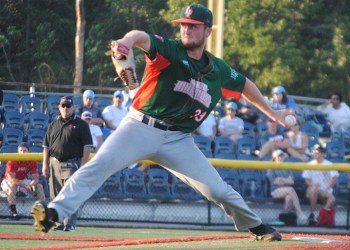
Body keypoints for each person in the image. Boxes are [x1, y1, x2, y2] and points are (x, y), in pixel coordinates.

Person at [31, 4, 297, 241]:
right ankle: (53, 213)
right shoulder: (170, 49)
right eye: (183, 25)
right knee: (100, 165)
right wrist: (126, 39)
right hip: (140, 127)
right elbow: (140, 38)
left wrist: (272, 112)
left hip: (178, 140)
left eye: (193, 27)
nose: (186, 30)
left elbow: (244, 85)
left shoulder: (217, 69)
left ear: (208, 32)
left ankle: (256, 227)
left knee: (218, 190)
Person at [42, 96, 93, 232]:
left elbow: (87, 146)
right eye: (63, 106)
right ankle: (58, 223)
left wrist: (83, 165)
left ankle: (69, 224)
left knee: (70, 195)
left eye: (68, 106)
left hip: (72, 164)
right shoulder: (53, 124)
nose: (66, 108)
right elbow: (46, 146)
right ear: (59, 107)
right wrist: (45, 164)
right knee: (55, 196)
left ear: (73, 108)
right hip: (54, 164)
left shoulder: (81, 124)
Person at [0, 143, 45, 219]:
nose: (22, 152)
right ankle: (13, 211)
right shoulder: (13, 160)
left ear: (28, 152)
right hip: (8, 181)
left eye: (24, 150)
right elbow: (12, 179)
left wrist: (32, 184)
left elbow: (35, 177)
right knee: (13, 186)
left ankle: (42, 210)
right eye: (21, 150)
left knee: (39, 186)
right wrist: (25, 186)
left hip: (23, 180)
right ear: (18, 152)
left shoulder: (32, 160)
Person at [302, 144, 339, 226]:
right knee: (314, 190)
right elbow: (307, 180)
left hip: (325, 190)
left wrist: (326, 189)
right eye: (313, 152)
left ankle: (320, 216)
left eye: (317, 152)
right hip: (313, 189)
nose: (315, 154)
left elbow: (335, 178)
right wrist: (313, 184)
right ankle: (312, 214)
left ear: (323, 154)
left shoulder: (329, 164)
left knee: (332, 199)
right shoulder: (310, 164)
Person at [267, 149, 306, 221]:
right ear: (275, 158)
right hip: (275, 191)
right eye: (279, 156)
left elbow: (291, 182)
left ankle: (283, 217)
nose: (281, 157)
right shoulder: (271, 167)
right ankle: (299, 212)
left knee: (289, 197)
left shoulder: (286, 166)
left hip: (287, 190)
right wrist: (285, 180)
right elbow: (275, 182)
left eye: (281, 156)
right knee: (290, 190)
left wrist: (281, 179)